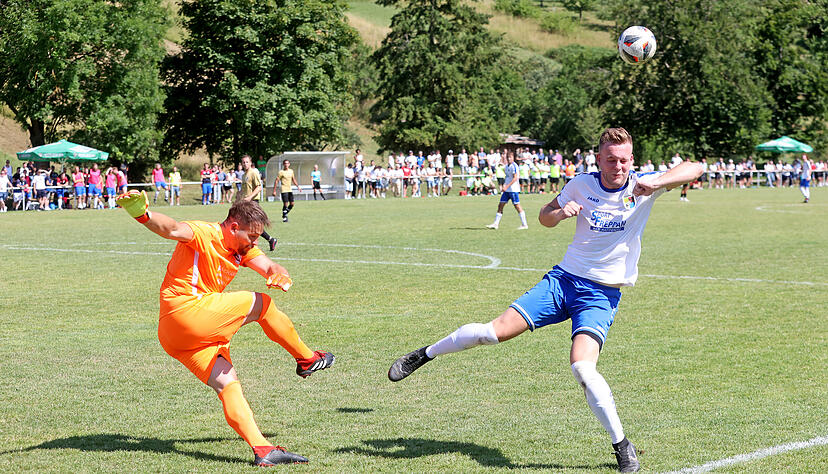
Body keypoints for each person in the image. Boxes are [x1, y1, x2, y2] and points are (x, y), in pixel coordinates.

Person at [389, 128, 704, 473]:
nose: (618, 166)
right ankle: (423, 355)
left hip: (601, 293)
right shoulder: (581, 184)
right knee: (492, 333)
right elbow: (544, 217)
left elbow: (696, 167)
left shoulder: (642, 186)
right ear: (598, 159)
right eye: (610, 159)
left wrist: (657, 185)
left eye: (624, 160)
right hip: (562, 281)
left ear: (632, 159)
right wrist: (559, 212)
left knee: (582, 367)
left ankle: (622, 446)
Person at [114, 193, 334, 466]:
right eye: (251, 237)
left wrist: (279, 273)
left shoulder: (240, 248)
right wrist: (142, 214)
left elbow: (269, 265)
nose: (254, 243)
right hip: (186, 313)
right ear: (233, 227)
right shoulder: (204, 233)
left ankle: (263, 450)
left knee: (228, 383)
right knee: (262, 304)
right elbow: (170, 228)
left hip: (178, 337)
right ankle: (308, 358)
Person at [238, 155, 278, 251]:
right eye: (243, 162)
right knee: (250, 225)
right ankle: (270, 240)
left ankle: (252, 243)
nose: (245, 164)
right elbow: (244, 190)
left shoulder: (253, 173)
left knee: (251, 225)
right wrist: (239, 198)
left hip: (253, 202)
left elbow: (259, 187)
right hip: (245, 203)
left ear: (251, 163)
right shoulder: (244, 175)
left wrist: (250, 197)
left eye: (247, 162)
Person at [486, 153, 528, 230]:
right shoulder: (506, 166)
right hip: (507, 190)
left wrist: (506, 186)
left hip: (513, 190)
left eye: (510, 157)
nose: (509, 159)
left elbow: (515, 178)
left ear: (513, 158)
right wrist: (505, 185)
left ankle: (524, 224)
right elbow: (508, 178)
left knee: (517, 206)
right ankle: (496, 224)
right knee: (500, 205)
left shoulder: (514, 166)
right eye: (508, 157)